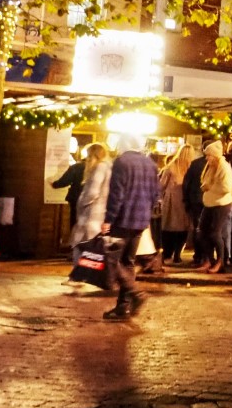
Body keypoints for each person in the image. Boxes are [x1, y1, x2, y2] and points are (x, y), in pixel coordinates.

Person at [101, 135, 160, 321]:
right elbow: (155, 194)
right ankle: (123, 306)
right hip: (141, 219)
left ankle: (134, 293)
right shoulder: (150, 164)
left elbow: (117, 193)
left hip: (123, 218)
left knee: (111, 258)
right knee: (128, 261)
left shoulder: (121, 162)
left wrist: (109, 218)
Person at [68, 144, 112, 267]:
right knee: (91, 246)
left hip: (91, 213)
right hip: (100, 213)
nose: (87, 159)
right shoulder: (109, 167)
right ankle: (84, 274)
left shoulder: (99, 168)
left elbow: (93, 191)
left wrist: (82, 203)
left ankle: (77, 274)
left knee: (79, 244)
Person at [198, 140, 232, 274]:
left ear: (215, 156)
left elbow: (226, 187)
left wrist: (210, 188)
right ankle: (209, 259)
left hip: (221, 203)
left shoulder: (224, 167)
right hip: (209, 203)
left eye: (209, 155)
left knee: (215, 233)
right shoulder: (210, 167)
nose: (207, 158)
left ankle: (220, 262)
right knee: (202, 231)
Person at [158, 144, 195, 265]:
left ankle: (167, 253)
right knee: (183, 228)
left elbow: (161, 185)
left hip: (171, 200)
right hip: (185, 200)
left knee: (168, 227)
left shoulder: (171, 167)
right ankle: (177, 254)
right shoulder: (192, 168)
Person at [182, 145, 207, 263]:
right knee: (209, 228)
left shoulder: (195, 164)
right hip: (209, 201)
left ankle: (198, 255)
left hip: (196, 200)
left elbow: (187, 183)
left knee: (198, 227)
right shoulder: (219, 164)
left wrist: (186, 199)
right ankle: (207, 255)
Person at [52, 157, 86, 237]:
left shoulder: (77, 167)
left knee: (75, 221)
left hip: (76, 198)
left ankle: (75, 243)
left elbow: (64, 181)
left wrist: (54, 184)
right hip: (93, 201)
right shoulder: (100, 168)